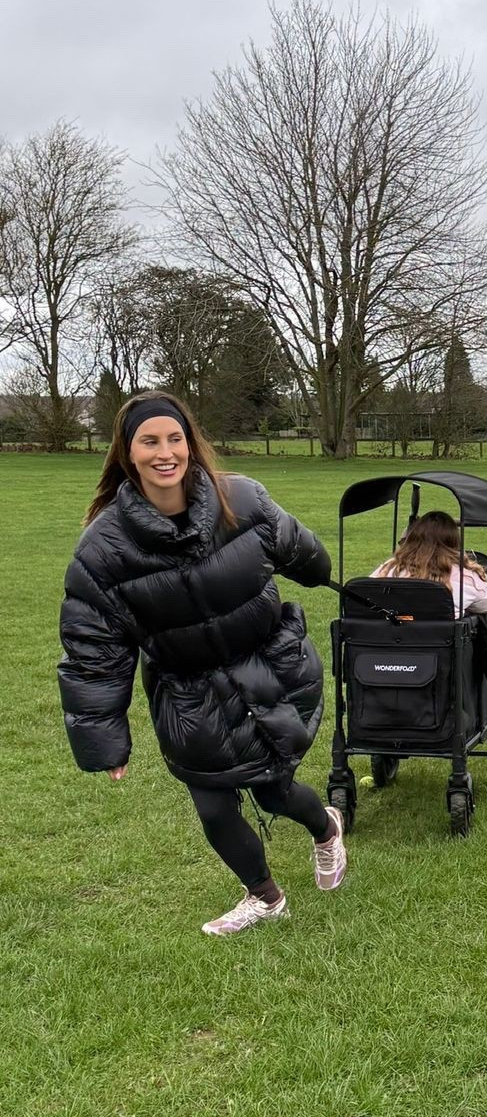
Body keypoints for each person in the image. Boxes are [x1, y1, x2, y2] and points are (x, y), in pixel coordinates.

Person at [59, 392, 348, 936]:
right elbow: (93, 648)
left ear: (191, 443)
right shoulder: (102, 548)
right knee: (213, 806)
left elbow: (304, 554)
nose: (165, 453)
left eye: (176, 439)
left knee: (274, 790)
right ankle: (264, 897)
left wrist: (308, 560)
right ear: (127, 452)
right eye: (150, 442)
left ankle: (327, 829)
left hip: (265, 670)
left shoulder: (241, 497)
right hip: (188, 691)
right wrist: (104, 738)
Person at [371, 510, 487, 616]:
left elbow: (365, 595)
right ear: (454, 541)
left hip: (389, 640)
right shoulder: (468, 577)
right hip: (441, 642)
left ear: (413, 537)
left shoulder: (390, 569)